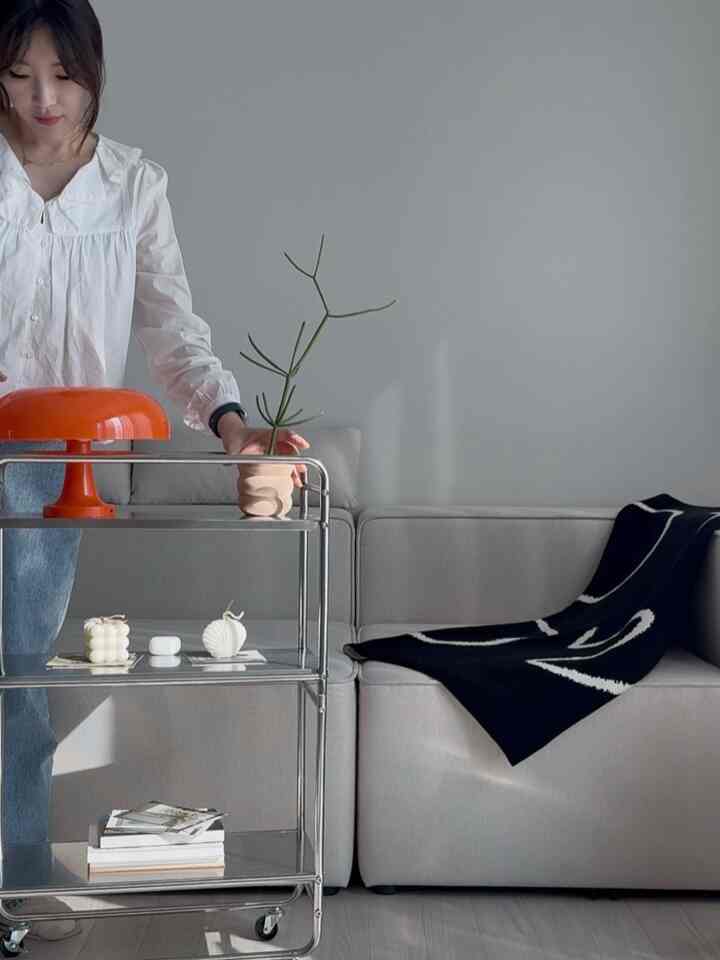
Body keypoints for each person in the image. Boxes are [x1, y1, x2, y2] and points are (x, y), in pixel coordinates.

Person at [0, 0, 310, 942]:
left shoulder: (133, 184)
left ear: (96, 69)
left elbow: (171, 328)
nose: (44, 98)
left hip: (49, 465)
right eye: (19, 75)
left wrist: (229, 424)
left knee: (17, 680)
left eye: (64, 74)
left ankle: (13, 887)